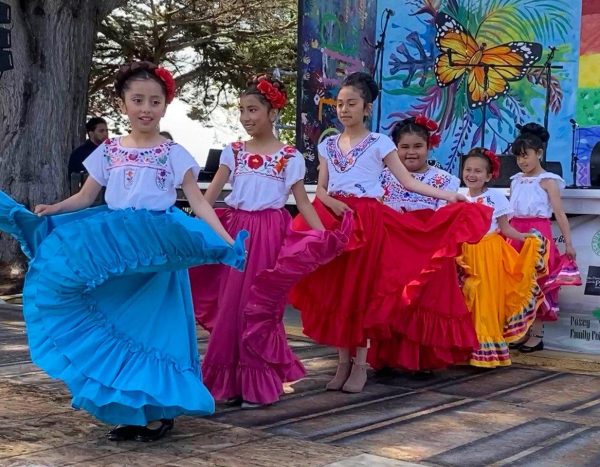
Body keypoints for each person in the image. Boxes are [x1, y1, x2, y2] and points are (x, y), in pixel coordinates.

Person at [0, 60, 247, 442]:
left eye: (154, 101)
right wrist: (55, 209)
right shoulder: (109, 150)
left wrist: (225, 240)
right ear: (123, 104)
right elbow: (86, 197)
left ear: (165, 106)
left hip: (158, 255)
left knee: (158, 333)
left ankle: (160, 413)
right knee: (120, 328)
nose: (146, 108)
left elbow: (199, 203)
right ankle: (131, 412)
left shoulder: (174, 153)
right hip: (116, 253)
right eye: (138, 100)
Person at [289, 72, 492, 393]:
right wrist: (331, 203)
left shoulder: (380, 143)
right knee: (339, 292)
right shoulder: (327, 144)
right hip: (336, 218)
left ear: (366, 108)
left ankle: (360, 365)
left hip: (368, 220)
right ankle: (342, 363)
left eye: (351, 103)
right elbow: (322, 188)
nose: (344, 109)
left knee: (362, 292)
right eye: (339, 104)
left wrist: (449, 196)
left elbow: (408, 181)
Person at [189, 74, 348, 409]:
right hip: (236, 232)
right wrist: (194, 227)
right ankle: (230, 383)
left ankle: (257, 384)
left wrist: (323, 236)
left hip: (270, 233)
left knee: (259, 306)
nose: (246, 117)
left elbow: (302, 202)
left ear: (273, 112)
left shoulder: (290, 156)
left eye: (253, 110)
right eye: (242, 110)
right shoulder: (233, 152)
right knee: (230, 304)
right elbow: (209, 196)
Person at [459, 148, 548, 367]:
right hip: (464, 255)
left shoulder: (495, 197)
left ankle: (485, 352)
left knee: (486, 301)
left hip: (488, 255)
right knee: (466, 300)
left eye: (478, 171)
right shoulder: (458, 196)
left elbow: (505, 229)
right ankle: (464, 349)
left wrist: (525, 238)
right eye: (468, 169)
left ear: (489, 176)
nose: (472, 174)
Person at [506, 123, 581, 352]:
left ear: (539, 153)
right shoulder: (515, 180)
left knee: (536, 282)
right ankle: (521, 331)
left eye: (526, 155)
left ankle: (537, 335)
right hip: (515, 233)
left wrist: (569, 244)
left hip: (538, 234)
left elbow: (559, 213)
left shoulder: (549, 181)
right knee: (516, 283)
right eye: (518, 157)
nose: (522, 161)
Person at [380, 116, 460, 212]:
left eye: (418, 146)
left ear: (428, 146)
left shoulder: (445, 181)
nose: (411, 152)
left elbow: (444, 217)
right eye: (405, 147)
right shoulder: (382, 177)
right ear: (396, 148)